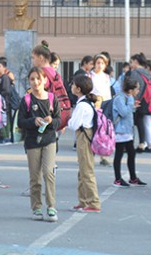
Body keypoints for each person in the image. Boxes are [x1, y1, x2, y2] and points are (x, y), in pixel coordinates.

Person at [18, 67, 61, 221]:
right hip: (32, 142)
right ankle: (36, 207)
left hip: (49, 140)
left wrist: (51, 121)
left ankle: (51, 207)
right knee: (35, 176)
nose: (35, 82)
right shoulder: (27, 100)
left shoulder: (51, 98)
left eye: (38, 78)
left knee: (49, 172)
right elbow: (20, 122)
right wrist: (33, 121)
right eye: (32, 79)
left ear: (45, 80)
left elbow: (59, 120)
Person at [68, 75, 101, 213]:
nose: (71, 86)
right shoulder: (87, 103)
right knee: (82, 171)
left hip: (83, 138)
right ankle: (83, 200)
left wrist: (69, 121)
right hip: (86, 137)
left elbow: (73, 124)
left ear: (78, 89)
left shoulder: (82, 105)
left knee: (86, 171)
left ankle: (93, 202)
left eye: (73, 84)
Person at [111, 77, 147, 187]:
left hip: (128, 130)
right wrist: (131, 105)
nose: (138, 91)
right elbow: (123, 113)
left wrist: (132, 106)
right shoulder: (120, 98)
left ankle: (133, 177)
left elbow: (129, 111)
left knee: (131, 153)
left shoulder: (129, 97)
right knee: (119, 154)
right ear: (130, 90)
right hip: (120, 131)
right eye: (137, 89)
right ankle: (117, 178)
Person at [127, 53, 151, 153]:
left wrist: (134, 100)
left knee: (132, 122)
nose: (130, 64)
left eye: (131, 62)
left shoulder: (135, 73)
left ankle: (130, 143)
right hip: (146, 100)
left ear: (136, 62)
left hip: (137, 100)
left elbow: (135, 87)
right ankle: (142, 143)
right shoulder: (147, 73)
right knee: (141, 122)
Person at [91, 54, 113, 166]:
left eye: (102, 63)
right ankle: (90, 154)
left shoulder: (106, 77)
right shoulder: (90, 76)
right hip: (94, 104)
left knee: (103, 130)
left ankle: (103, 155)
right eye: (98, 63)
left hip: (105, 104)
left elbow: (108, 93)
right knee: (93, 130)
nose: (100, 65)